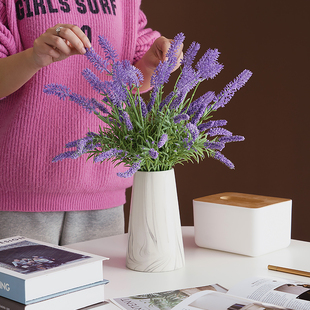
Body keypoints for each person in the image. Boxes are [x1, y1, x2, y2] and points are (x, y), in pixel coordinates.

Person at [0, 0, 183, 245]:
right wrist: (34, 58)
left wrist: (152, 62)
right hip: (19, 195)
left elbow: (129, 80)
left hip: (103, 194)